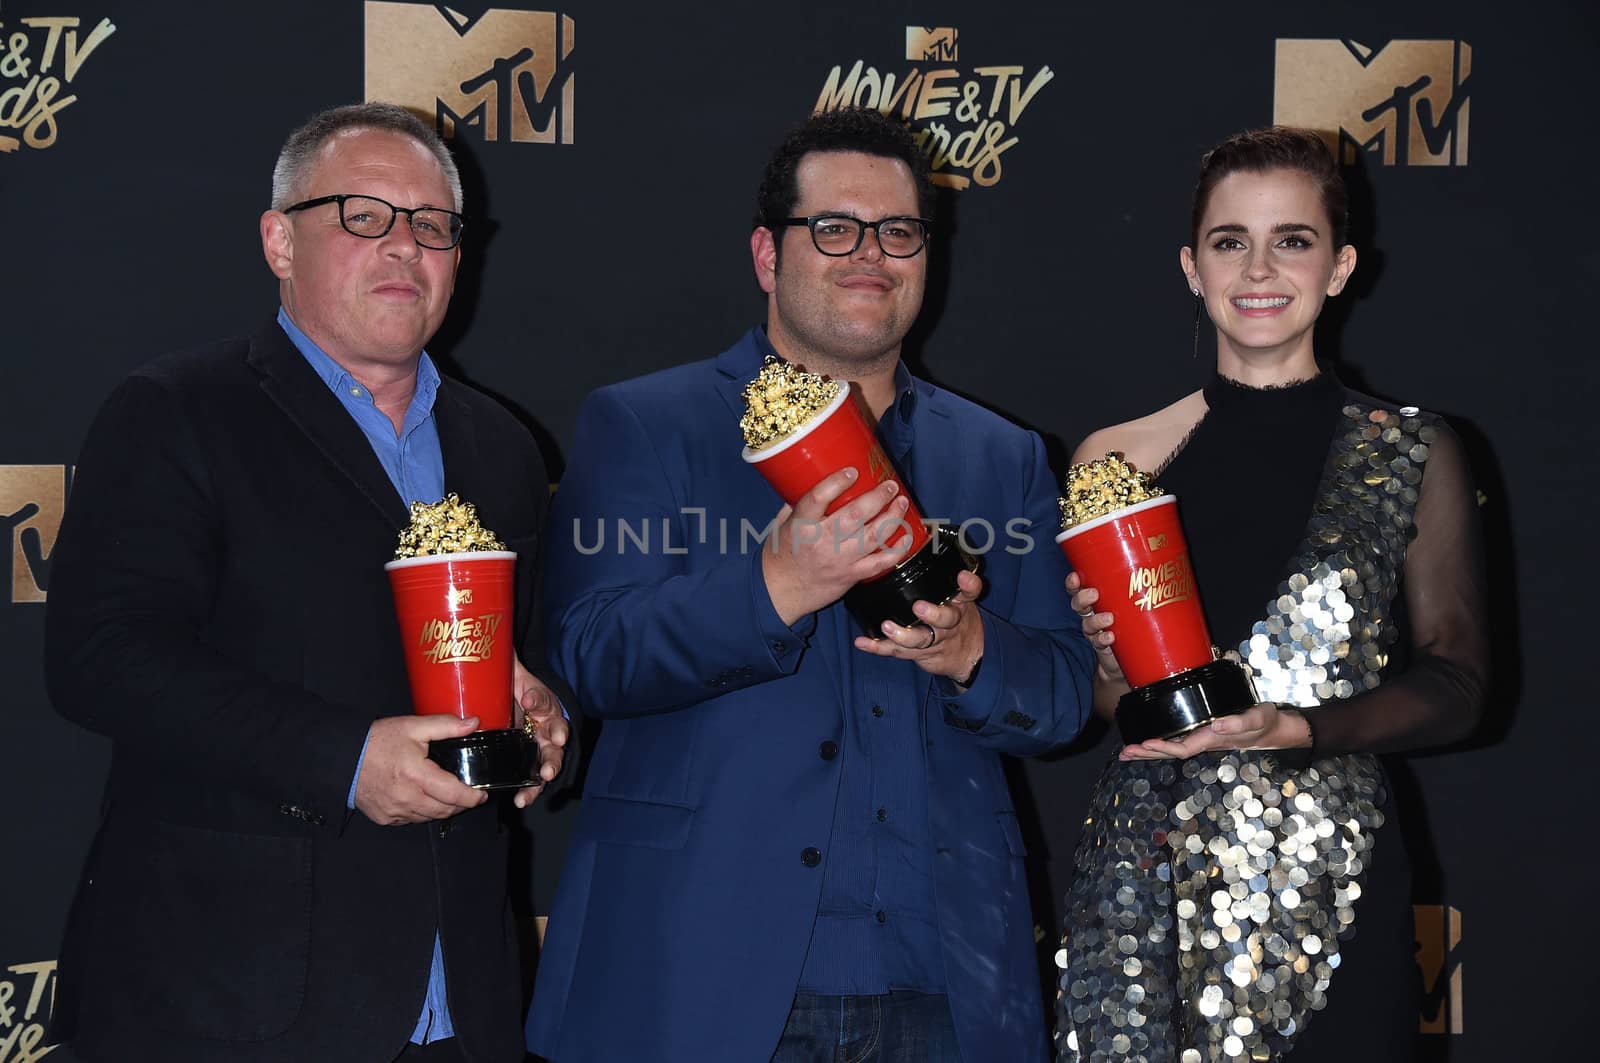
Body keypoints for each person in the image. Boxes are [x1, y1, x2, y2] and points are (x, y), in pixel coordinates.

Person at [524, 107, 1094, 1063]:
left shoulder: (1004, 455)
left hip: (944, 983)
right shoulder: (647, 422)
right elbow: (590, 656)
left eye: (899, 231)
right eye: (834, 227)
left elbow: (1066, 694)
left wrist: (972, 652)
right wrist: (776, 583)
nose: (870, 253)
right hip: (699, 972)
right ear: (766, 253)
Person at [43, 102, 571, 1063]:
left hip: (464, 1005)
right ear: (280, 241)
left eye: (432, 224)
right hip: (234, 1000)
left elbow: (502, 648)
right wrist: (346, 759)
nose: (404, 247)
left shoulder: (499, 446)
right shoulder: (176, 412)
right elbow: (99, 657)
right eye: (363, 216)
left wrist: (530, 702)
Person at [1051, 126, 1487, 1063]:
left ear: (1340, 267)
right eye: (1228, 241)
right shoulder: (1113, 460)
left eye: (1292, 239)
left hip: (1333, 878)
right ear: (1190, 266)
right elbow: (1108, 702)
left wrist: (1300, 728)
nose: (1259, 267)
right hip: (1148, 887)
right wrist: (1104, 660)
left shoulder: (1410, 450)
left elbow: (1459, 681)